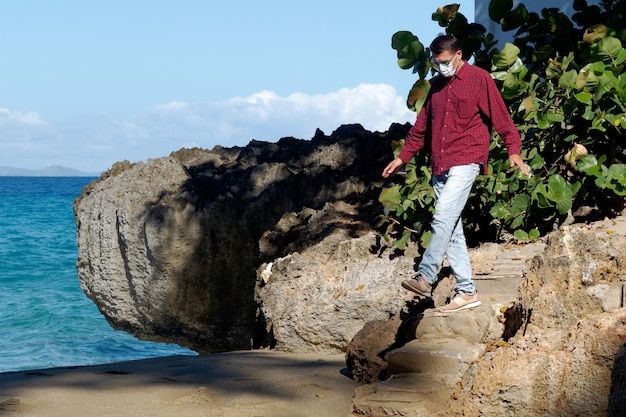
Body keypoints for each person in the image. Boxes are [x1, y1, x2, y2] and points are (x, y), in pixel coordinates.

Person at [382, 34, 528, 312]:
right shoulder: (436, 86)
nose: (442, 67)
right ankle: (466, 291)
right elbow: (421, 128)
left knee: (442, 218)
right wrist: (402, 158)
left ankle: (426, 275)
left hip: (467, 160)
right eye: (437, 63)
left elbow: (502, 118)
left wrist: (513, 149)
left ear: (459, 55)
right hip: (440, 165)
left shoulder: (480, 79)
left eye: (446, 62)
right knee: (451, 230)